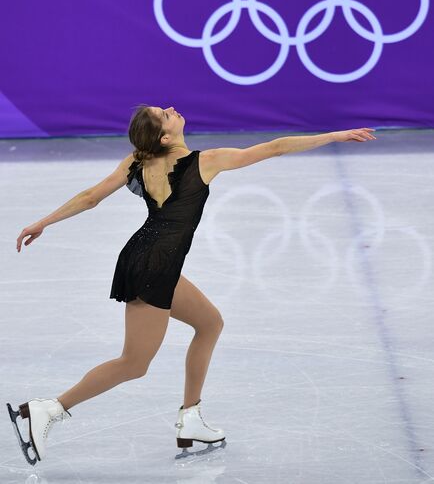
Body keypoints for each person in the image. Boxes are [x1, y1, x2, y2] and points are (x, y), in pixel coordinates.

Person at [9, 105, 376, 464]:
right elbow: (275, 147)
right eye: (165, 114)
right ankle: (46, 410)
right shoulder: (206, 161)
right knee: (134, 363)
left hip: (151, 259)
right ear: (166, 136)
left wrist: (44, 221)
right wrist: (333, 136)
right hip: (154, 265)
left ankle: (191, 418)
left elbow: (91, 197)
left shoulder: (136, 160)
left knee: (209, 323)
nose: (171, 108)